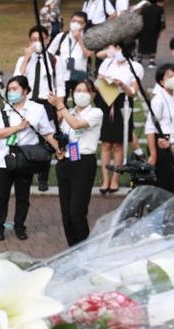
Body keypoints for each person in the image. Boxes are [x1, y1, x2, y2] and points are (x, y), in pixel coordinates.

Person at [0, 76, 60, 241]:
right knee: (2, 195)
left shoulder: (37, 109)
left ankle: (20, 226)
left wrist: (59, 148)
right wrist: (19, 127)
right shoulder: (3, 110)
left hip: (26, 159)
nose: (11, 92)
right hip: (4, 159)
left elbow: (47, 132)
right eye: (9, 89)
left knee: (23, 196)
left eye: (15, 89)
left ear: (25, 91)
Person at [49, 80, 103, 246]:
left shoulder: (95, 112)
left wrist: (60, 106)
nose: (81, 94)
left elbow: (77, 124)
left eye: (85, 91)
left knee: (76, 212)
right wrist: (59, 149)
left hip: (84, 164)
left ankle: (84, 249)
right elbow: (65, 136)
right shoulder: (68, 112)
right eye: (77, 90)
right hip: (66, 162)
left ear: (92, 94)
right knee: (66, 213)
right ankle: (72, 248)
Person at [13, 26, 59, 191]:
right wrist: (27, 58)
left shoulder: (54, 60)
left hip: (47, 103)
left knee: (46, 141)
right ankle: (26, 174)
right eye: (33, 40)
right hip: (29, 103)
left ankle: (43, 177)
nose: (36, 43)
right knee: (27, 138)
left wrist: (59, 107)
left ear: (47, 40)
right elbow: (18, 80)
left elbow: (60, 85)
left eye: (40, 39)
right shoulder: (23, 60)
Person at [96, 42, 142, 194]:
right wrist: (106, 81)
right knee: (105, 144)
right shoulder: (107, 62)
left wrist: (123, 85)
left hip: (123, 103)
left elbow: (133, 92)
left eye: (120, 48)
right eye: (116, 48)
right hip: (107, 100)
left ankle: (115, 179)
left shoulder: (135, 67)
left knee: (118, 144)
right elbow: (98, 81)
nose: (117, 51)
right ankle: (105, 180)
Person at [145, 63, 174, 193]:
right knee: (165, 185)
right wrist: (153, 154)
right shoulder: (158, 100)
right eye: (170, 76)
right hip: (162, 144)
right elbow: (150, 128)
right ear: (161, 81)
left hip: (172, 144)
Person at [50, 12, 92, 98]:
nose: (75, 24)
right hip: (62, 75)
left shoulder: (88, 38)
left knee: (79, 100)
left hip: (79, 76)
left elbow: (88, 54)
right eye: (74, 21)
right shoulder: (61, 36)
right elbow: (49, 53)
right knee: (61, 101)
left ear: (84, 24)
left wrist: (79, 39)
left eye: (79, 22)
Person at [138, 1, 165, 69]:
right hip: (154, 29)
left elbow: (139, 19)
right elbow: (162, 20)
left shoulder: (143, 9)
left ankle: (139, 59)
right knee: (153, 43)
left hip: (143, 29)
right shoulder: (160, 9)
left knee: (141, 43)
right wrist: (161, 29)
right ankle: (151, 61)